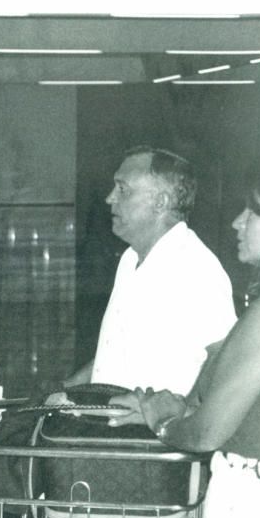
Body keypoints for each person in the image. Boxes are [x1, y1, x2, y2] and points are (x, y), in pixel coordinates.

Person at [108, 162, 260, 518]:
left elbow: (207, 433)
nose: (238, 221)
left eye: (253, 212)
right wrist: (182, 404)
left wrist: (163, 421)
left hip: (253, 501)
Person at [63, 146, 236, 395]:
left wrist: (175, 416)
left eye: (123, 189)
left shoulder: (195, 268)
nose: (110, 198)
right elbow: (115, 352)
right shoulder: (130, 257)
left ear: (160, 202)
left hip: (154, 432)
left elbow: (224, 360)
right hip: (111, 424)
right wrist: (67, 387)